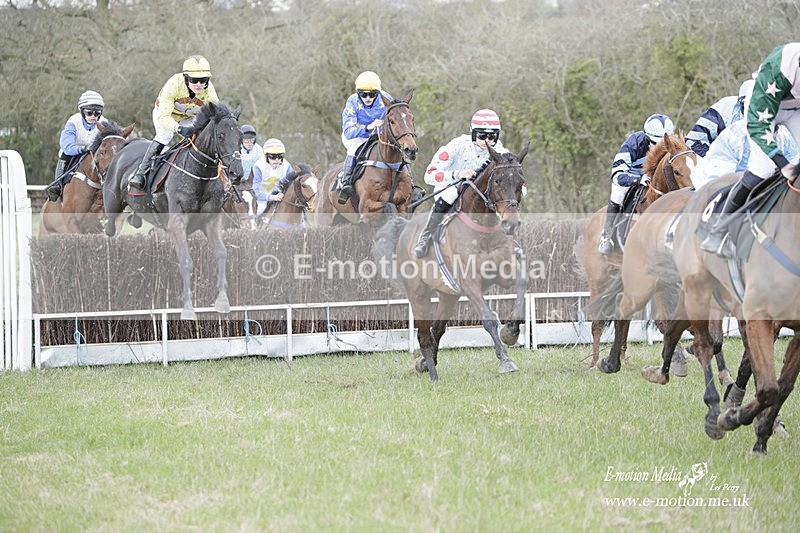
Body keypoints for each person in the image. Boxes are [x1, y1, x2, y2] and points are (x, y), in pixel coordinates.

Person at [701, 43, 800, 256]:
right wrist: (782, 164)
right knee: (763, 169)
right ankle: (717, 230)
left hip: (796, 107)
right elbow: (758, 127)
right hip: (765, 108)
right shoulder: (778, 70)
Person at [413, 109, 509, 259]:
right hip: (453, 187)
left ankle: (508, 245)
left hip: (482, 196)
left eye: (491, 136)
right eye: (482, 135)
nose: (487, 141)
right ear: (473, 133)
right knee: (451, 194)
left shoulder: (501, 152)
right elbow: (429, 175)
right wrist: (457, 174)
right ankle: (426, 236)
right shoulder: (456, 146)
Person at [129, 55, 219, 190]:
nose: (199, 84)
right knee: (166, 136)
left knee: (202, 137)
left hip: (189, 116)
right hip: (166, 115)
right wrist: (179, 129)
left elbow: (215, 113)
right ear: (186, 78)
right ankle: (141, 173)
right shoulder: (173, 84)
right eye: (195, 80)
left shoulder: (209, 90)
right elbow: (164, 117)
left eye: (204, 80)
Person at [597, 113, 675, 256]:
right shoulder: (633, 143)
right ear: (646, 138)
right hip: (631, 175)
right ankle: (606, 236)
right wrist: (637, 179)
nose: (660, 150)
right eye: (655, 144)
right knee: (618, 193)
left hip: (656, 178)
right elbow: (617, 175)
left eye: (664, 144)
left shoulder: (673, 144)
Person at [691, 119, 798, 189]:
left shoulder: (785, 136)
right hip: (720, 184)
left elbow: (793, 168)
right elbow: (722, 181)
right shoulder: (733, 135)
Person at [337, 71, 392, 204]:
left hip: (377, 135)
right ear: (358, 93)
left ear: (378, 93)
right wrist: (368, 127)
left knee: (395, 148)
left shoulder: (386, 99)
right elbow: (349, 131)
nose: (367, 98)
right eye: (363, 94)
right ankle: (347, 182)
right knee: (354, 148)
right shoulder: (352, 101)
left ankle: (411, 182)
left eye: (372, 95)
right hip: (356, 136)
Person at [46, 90, 107, 201]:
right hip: (73, 153)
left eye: (97, 113)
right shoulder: (73, 122)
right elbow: (67, 146)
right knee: (64, 155)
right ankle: (58, 185)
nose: (93, 116)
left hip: (95, 154)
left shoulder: (104, 123)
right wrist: (83, 149)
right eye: (89, 112)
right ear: (82, 111)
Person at [686, 79, 755, 157]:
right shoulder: (722, 109)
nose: (751, 111)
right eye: (747, 105)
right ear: (740, 103)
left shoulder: (769, 113)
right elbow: (693, 141)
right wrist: (716, 160)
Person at [252, 138, 293, 215]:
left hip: (281, 198)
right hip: (262, 201)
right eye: (273, 156)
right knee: (258, 213)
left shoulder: (287, 166)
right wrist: (271, 197)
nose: (277, 160)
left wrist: (284, 195)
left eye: (280, 156)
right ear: (266, 156)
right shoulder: (258, 166)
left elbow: (291, 186)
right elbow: (255, 192)